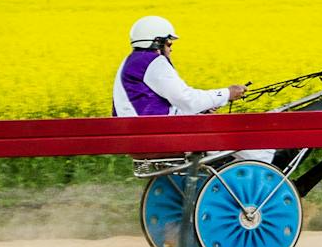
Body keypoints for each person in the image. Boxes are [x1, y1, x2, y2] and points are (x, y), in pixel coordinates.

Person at [113, 16, 273, 163]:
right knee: (245, 138)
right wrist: (227, 93)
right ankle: (268, 178)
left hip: (141, 137)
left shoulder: (131, 62)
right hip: (156, 138)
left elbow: (165, 108)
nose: (170, 49)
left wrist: (201, 110)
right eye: (169, 44)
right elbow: (188, 100)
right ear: (157, 42)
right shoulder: (152, 62)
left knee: (225, 137)